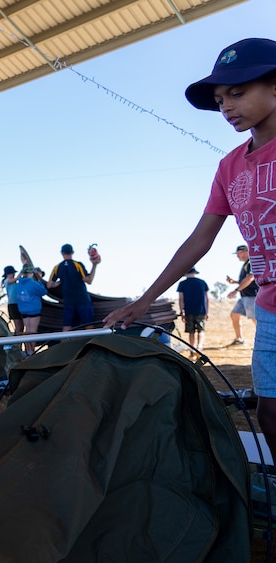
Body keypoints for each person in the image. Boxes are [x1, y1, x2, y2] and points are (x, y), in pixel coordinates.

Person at [104, 37, 276, 466]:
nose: (226, 107)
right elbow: (200, 238)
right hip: (271, 307)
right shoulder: (230, 166)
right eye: (219, 99)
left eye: (237, 92)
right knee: (271, 412)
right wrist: (145, 300)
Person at [46, 244, 98, 330]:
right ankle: (91, 342)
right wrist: (94, 265)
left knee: (67, 326)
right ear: (72, 252)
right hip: (82, 299)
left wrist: (61, 281)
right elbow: (89, 280)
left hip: (68, 301)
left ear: (62, 253)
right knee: (89, 324)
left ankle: (65, 343)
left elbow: (49, 285)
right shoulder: (77, 265)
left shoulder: (57, 267)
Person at [226, 244, 258, 344]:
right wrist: (235, 282)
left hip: (252, 296)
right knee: (234, 315)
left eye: (239, 253)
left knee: (256, 320)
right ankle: (239, 339)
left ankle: (268, 340)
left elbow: (250, 278)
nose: (237, 256)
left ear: (246, 252)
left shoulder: (251, 263)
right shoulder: (246, 264)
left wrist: (236, 290)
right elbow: (246, 280)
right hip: (244, 296)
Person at [16, 264, 48, 356]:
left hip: (23, 310)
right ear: (31, 273)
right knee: (33, 331)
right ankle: (31, 352)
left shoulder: (19, 283)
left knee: (27, 331)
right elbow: (43, 291)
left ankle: (27, 351)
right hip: (34, 310)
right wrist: (39, 281)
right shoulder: (33, 283)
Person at [177, 268, 210, 350]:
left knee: (191, 331)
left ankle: (192, 348)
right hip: (201, 310)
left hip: (189, 311)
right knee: (201, 330)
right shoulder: (202, 282)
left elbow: (181, 299)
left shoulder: (182, 283)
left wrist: (182, 312)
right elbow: (207, 298)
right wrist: (207, 312)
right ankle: (199, 346)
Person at [2, 265, 23, 336]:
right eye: (12, 273)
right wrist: (22, 271)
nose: (13, 274)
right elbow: (16, 278)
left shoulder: (15, 283)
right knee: (18, 326)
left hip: (19, 304)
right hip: (13, 305)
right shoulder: (6, 281)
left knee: (21, 326)